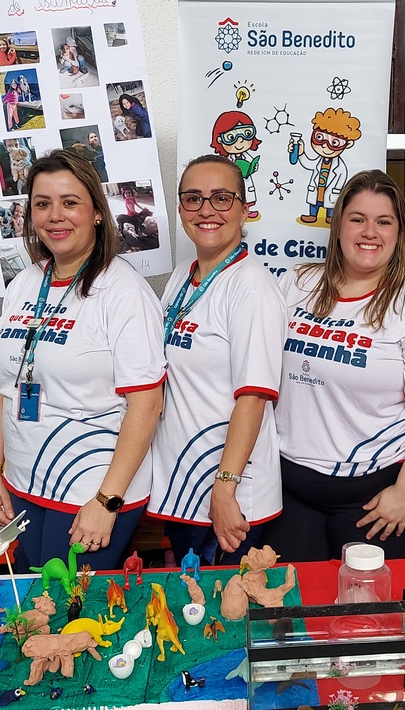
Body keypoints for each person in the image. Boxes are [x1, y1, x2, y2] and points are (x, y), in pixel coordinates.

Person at [0, 148, 166, 572]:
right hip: (23, 483)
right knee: (34, 598)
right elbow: (3, 384)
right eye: (42, 204)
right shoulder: (25, 283)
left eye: (69, 202)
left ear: (97, 213)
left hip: (88, 488)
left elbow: (147, 404)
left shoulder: (124, 293)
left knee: (65, 606)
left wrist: (107, 501)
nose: (55, 216)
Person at [264, 170, 405, 562]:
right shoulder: (295, 284)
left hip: (373, 497)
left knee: (362, 600)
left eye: (383, 222)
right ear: (338, 226)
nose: (370, 232)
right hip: (290, 485)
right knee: (285, 596)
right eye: (357, 219)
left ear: (399, 233)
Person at [147, 155, 285, 565]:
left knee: (224, 602)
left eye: (222, 198)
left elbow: (253, 398)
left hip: (227, 492)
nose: (206, 210)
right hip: (185, 483)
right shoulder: (183, 275)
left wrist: (225, 488)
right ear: (180, 210)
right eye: (194, 198)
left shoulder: (252, 288)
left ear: (245, 210)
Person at [289, 108, 360, 225]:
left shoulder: (340, 166)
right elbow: (308, 164)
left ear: (348, 144)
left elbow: (342, 178)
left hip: (330, 191)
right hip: (318, 189)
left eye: (334, 143)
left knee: (330, 204)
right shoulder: (319, 161)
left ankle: (330, 216)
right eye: (319, 138)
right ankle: (313, 215)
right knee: (315, 203)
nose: (324, 146)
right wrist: (300, 153)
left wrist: (336, 190)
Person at [210, 112, 261, 219]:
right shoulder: (226, 160)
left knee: (248, 195)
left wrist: (253, 168)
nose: (240, 140)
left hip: (246, 180)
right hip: (230, 182)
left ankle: (247, 210)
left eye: (247, 134)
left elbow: (250, 162)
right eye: (231, 137)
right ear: (220, 139)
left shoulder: (246, 156)